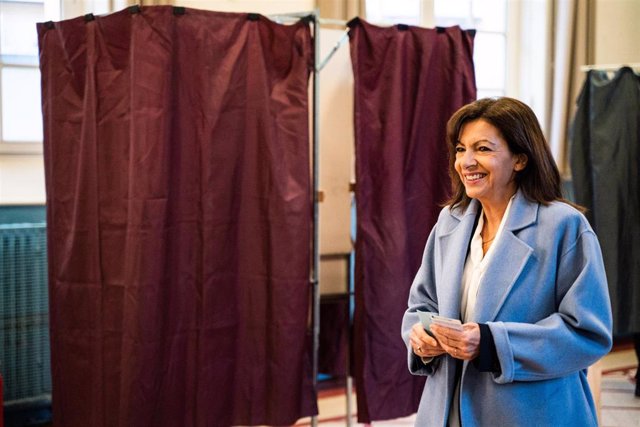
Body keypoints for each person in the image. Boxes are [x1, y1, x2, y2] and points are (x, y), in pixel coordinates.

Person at [401, 97, 613, 426]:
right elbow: (421, 305)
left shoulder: (564, 227)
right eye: (460, 149)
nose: (466, 161)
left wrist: (491, 343)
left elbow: (588, 333)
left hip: (532, 413)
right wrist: (420, 336)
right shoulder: (449, 222)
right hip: (446, 412)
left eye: (482, 149)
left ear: (520, 159)